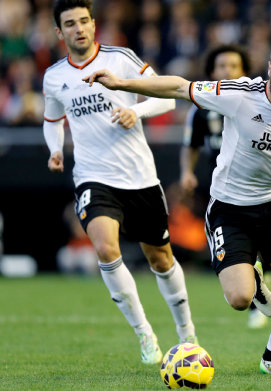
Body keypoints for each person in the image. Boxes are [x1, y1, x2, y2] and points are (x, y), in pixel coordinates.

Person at [84, 37, 271, 376]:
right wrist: (123, 82)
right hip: (229, 209)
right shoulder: (241, 94)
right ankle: (255, 283)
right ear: (269, 70)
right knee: (239, 299)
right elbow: (178, 87)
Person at [43, 0, 197, 365]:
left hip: (139, 177)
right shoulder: (53, 76)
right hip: (93, 177)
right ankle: (145, 333)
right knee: (105, 248)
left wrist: (136, 110)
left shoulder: (120, 58)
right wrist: (54, 150)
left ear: (94, 25)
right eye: (70, 23)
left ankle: (187, 333)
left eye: (84, 21)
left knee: (160, 259)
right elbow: (53, 119)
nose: (78, 28)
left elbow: (168, 99)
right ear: (58, 32)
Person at [179, 43, 268, 329]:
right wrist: (186, 172)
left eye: (233, 66)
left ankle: (256, 295)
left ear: (244, 72)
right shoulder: (202, 108)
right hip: (218, 184)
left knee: (259, 240)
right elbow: (190, 145)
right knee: (231, 240)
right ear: (211, 72)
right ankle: (247, 284)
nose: (227, 71)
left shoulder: (257, 101)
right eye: (221, 66)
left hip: (256, 183)